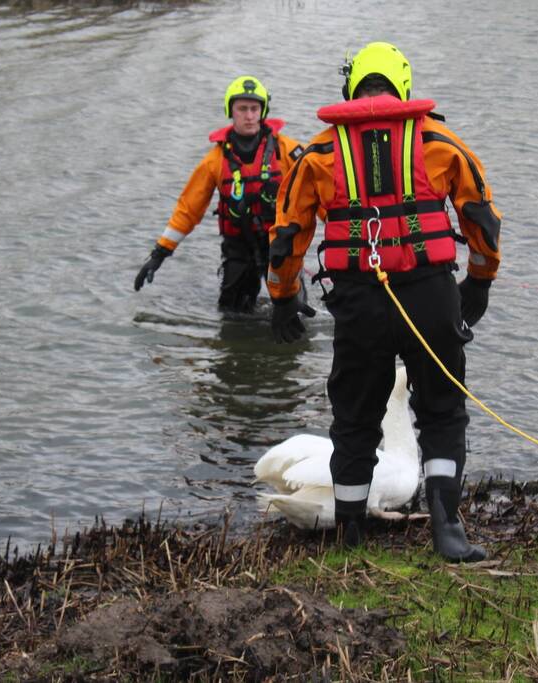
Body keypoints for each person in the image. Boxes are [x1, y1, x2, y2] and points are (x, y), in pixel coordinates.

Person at [266, 42, 502, 562]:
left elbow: (287, 234)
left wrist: (283, 296)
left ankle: (349, 533)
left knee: (354, 418)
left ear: (351, 88)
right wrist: (480, 281)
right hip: (430, 300)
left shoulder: (319, 154)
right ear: (403, 84)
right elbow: (481, 218)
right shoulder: (440, 141)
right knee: (441, 411)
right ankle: (447, 529)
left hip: (359, 306)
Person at [133, 76, 305, 313]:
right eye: (242, 109)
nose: (249, 115)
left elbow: (319, 192)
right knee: (232, 315)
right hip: (238, 246)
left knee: (295, 311)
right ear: (230, 111)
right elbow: (188, 210)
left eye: (255, 108)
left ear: (263, 111)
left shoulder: (287, 151)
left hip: (281, 244)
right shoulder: (214, 161)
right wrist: (159, 254)